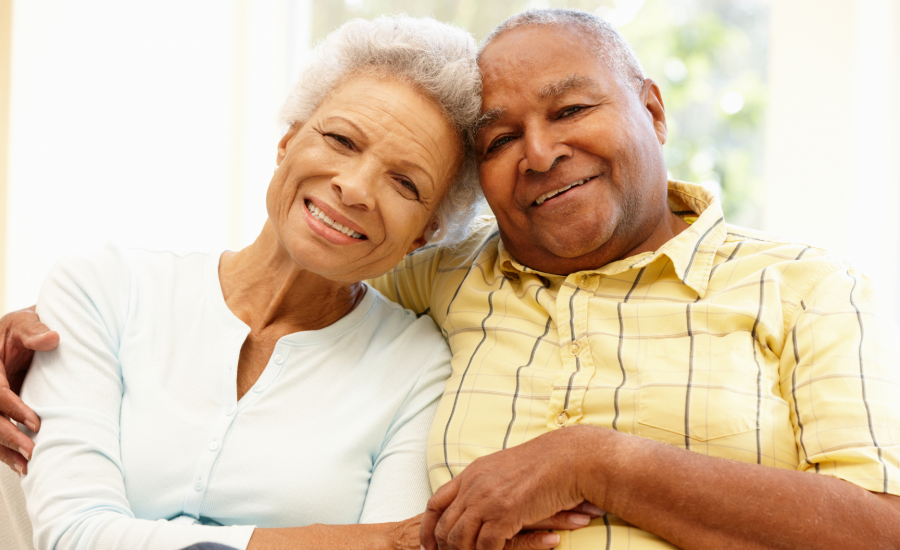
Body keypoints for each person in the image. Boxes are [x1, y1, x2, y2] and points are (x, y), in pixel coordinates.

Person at [4, 7, 900, 550]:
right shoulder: (431, 281)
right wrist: (39, 341)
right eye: (501, 139)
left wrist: (603, 463)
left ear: (654, 108)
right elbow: (295, 271)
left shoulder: (807, 287)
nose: (541, 152)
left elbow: (882, 530)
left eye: (573, 109)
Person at [0, 14, 602, 550]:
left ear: (425, 233)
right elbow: (72, 533)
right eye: (340, 140)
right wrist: (360, 542)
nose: (356, 188)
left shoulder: (418, 366)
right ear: (287, 141)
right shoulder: (102, 288)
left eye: (406, 184)